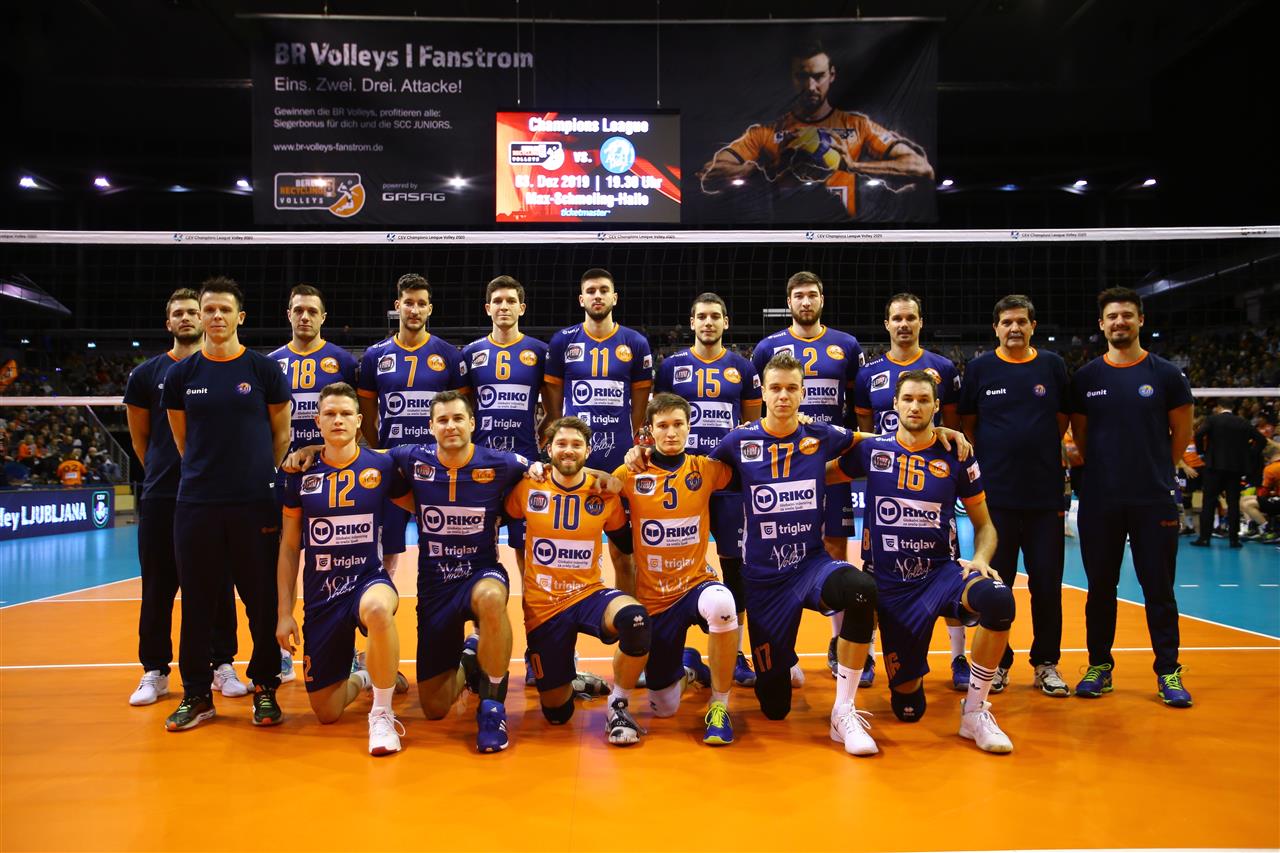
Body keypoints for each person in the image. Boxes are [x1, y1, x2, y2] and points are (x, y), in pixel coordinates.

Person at [830, 369, 1016, 753]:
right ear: (895, 404)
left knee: (999, 599)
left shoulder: (957, 454)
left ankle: (975, 712)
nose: (915, 406)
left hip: (940, 575)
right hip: (887, 583)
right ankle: (858, 704)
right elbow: (817, 472)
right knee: (908, 706)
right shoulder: (873, 450)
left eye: (924, 400)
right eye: (908, 399)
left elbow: (985, 525)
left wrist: (981, 558)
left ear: (936, 406)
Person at [708, 352, 881, 755]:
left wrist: (933, 433)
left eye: (791, 388)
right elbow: (697, 473)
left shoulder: (819, 434)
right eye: (776, 388)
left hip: (810, 565)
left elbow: (872, 441)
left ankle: (843, 710)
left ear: (803, 393)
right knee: (774, 708)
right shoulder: (739, 440)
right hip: (763, 579)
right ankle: (783, 659)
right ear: (763, 394)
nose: (783, 396)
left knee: (861, 589)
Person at [161, 276, 293, 730]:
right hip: (197, 503)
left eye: (224, 310)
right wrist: (208, 474)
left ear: (240, 317)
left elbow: (281, 434)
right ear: (200, 317)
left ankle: (265, 687)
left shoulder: (263, 370)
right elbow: (182, 440)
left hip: (254, 503)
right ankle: (197, 693)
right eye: (209, 310)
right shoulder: (181, 375)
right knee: (198, 602)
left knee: (261, 600)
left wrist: (255, 475)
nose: (216, 316)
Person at [1069, 287, 1194, 707]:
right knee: (1100, 589)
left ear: (1141, 320)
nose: (1119, 322)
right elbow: (1082, 437)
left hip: (1152, 498)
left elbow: (1182, 434)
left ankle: (1168, 671)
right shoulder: (1087, 378)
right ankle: (1099, 666)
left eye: (1127, 315)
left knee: (1159, 589)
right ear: (1101, 324)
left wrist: (1155, 470)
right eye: (1112, 316)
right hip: (1100, 499)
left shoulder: (1166, 375)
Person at [122, 288, 243, 706]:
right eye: (179, 313)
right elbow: (140, 440)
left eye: (194, 311)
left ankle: (222, 663)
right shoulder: (146, 375)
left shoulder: (221, 369)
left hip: (213, 493)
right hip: (163, 494)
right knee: (158, 585)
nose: (188, 317)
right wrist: (166, 471)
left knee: (218, 582)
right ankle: (155, 670)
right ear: (168, 322)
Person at [275, 383, 410, 756]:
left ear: (359, 420)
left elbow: (423, 503)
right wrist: (284, 613)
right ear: (317, 421)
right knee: (327, 711)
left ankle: (382, 714)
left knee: (379, 609)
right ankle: (367, 675)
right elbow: (289, 547)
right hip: (322, 594)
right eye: (330, 414)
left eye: (346, 413)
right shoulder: (299, 473)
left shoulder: (382, 466)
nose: (338, 420)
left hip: (368, 580)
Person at [505, 416, 649, 746]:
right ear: (548, 449)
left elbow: (627, 545)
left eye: (576, 445)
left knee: (636, 620)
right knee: (557, 714)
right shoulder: (528, 486)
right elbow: (498, 513)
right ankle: (572, 681)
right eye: (561, 444)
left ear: (588, 451)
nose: (568, 450)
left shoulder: (603, 493)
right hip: (544, 607)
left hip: (589, 595)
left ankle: (618, 706)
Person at [751, 271, 864, 688]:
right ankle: (786, 649)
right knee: (784, 550)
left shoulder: (847, 345)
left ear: (822, 299)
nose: (805, 301)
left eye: (812, 294)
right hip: (784, 466)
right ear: (789, 301)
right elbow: (758, 404)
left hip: (829, 460)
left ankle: (838, 644)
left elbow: (857, 404)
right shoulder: (768, 347)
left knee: (834, 547)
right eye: (798, 295)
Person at [957, 294, 1071, 697]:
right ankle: (997, 665)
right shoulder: (981, 369)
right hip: (996, 499)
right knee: (995, 586)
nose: (1015, 328)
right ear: (996, 328)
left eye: (1022, 321)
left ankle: (1046, 663)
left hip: (1044, 497)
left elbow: (1061, 420)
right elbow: (968, 424)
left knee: (1047, 585)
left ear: (1033, 326)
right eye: (1007, 322)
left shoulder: (1052, 366)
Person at [853, 292, 967, 691]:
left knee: (947, 565)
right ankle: (867, 656)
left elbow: (950, 426)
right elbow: (865, 430)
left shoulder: (942, 367)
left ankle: (958, 658)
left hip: (932, 480)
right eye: (897, 318)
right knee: (873, 575)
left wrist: (947, 433)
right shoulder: (868, 374)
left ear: (921, 322)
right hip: (886, 478)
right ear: (887, 324)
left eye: (911, 318)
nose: (904, 324)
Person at [613, 393, 741, 745]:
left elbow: (755, 464)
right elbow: (594, 485)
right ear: (650, 431)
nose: (671, 433)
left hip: (696, 584)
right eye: (663, 426)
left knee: (723, 603)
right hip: (656, 599)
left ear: (689, 427)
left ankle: (720, 706)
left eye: (678, 424)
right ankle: (689, 666)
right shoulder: (630, 473)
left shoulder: (706, 468)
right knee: (664, 706)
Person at [698, 40, 934, 221]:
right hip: (783, 237)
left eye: (818, 76)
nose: (811, 86)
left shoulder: (858, 126)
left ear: (832, 75)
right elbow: (710, 176)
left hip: (846, 237)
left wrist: (853, 166)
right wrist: (763, 169)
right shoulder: (765, 133)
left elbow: (921, 168)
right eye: (802, 76)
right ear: (793, 79)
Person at [653, 293, 761, 688]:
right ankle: (669, 647)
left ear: (726, 322)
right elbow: (661, 416)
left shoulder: (742, 367)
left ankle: (735, 653)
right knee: (671, 559)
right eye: (702, 316)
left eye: (715, 316)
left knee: (735, 566)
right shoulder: (672, 367)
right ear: (692, 322)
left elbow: (751, 426)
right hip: (683, 478)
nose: (708, 322)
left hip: (728, 481)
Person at [269, 283, 358, 683]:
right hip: (284, 477)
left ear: (323, 317)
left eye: (312, 311)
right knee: (284, 557)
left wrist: (320, 447)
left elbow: (352, 418)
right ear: (288, 314)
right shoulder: (271, 364)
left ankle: (347, 647)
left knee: (342, 562)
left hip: (333, 474)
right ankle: (281, 648)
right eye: (298, 310)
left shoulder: (343, 361)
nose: (304, 317)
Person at [543, 268, 653, 580]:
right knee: (573, 547)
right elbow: (553, 401)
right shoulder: (563, 341)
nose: (597, 296)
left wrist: (630, 439)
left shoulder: (635, 342)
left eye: (604, 290)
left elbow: (639, 402)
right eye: (591, 291)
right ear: (581, 299)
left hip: (620, 457)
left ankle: (626, 612)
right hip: (577, 458)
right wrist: (559, 438)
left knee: (624, 553)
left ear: (614, 297)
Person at [357, 273, 468, 578]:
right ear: (398, 306)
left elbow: (460, 413)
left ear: (430, 308)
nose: (415, 310)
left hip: (438, 467)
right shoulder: (375, 355)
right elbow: (366, 414)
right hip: (393, 467)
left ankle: (445, 599)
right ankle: (384, 600)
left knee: (443, 547)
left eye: (421, 304)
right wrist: (383, 451)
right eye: (409, 303)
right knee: (388, 550)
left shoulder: (449, 354)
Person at [462, 275, 551, 575]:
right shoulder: (470, 353)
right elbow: (465, 411)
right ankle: (482, 604)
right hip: (481, 463)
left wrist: (536, 440)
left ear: (522, 308)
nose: (504, 306)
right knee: (480, 547)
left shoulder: (539, 352)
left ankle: (531, 606)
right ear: (487, 308)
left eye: (511, 301)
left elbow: (553, 411)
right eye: (497, 301)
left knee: (527, 548)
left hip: (526, 463)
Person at [1191, 399, 1267, 548]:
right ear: (1232, 408)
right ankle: (1234, 539)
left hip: (1214, 467)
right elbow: (1261, 440)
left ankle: (1204, 538)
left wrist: (1202, 453)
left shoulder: (1212, 420)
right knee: (1233, 504)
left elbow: (1198, 434)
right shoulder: (1243, 422)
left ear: (1219, 407)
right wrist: (1249, 455)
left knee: (1209, 502)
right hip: (1235, 469)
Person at [1240, 442, 1280, 542]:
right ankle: (1253, 528)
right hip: (1277, 497)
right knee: (1243, 499)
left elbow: (1264, 492)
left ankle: (1269, 530)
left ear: (1266, 458)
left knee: (1248, 504)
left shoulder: (1270, 469)